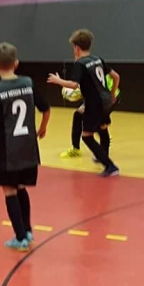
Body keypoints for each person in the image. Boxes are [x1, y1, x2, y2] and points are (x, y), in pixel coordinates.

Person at [0, 42, 51, 251]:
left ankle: (20, 238)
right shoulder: (28, 83)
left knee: (9, 190)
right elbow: (46, 108)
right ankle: (27, 231)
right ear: (16, 63)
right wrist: (42, 128)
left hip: (8, 151)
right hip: (29, 148)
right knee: (21, 187)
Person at [48, 29, 120, 177]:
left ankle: (110, 166)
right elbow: (116, 76)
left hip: (94, 103)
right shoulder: (98, 59)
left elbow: (74, 85)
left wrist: (58, 81)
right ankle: (102, 156)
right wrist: (112, 93)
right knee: (102, 128)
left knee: (87, 136)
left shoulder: (80, 64)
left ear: (76, 48)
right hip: (106, 100)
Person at [60, 74, 120, 159]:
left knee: (101, 125)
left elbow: (115, 77)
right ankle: (75, 149)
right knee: (78, 115)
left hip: (109, 98)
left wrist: (112, 93)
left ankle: (103, 153)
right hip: (97, 96)